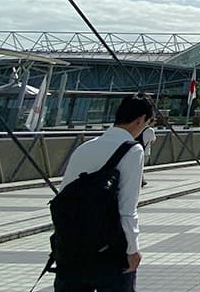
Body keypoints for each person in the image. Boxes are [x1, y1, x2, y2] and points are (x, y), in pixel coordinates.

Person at [54, 96, 152, 292]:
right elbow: (127, 208)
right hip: (110, 251)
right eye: (148, 123)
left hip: (71, 249)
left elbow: (63, 198)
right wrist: (133, 250)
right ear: (140, 120)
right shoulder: (133, 150)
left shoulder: (85, 147)